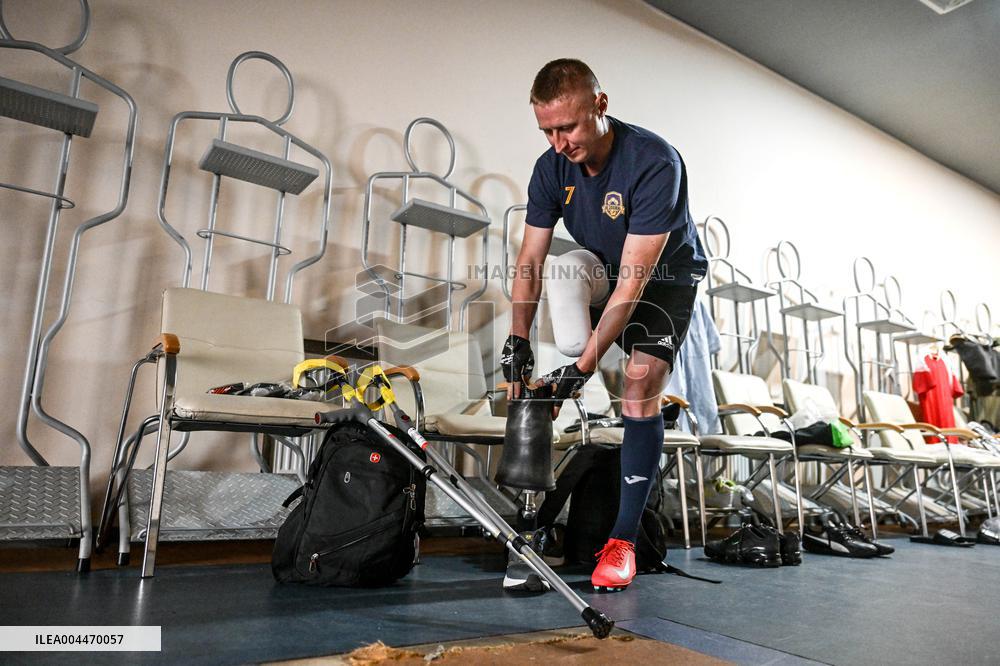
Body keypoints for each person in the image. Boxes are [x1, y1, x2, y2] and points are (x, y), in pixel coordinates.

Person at [501, 58, 707, 592]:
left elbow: (633, 287)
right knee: (565, 266)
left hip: (663, 279)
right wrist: (516, 341)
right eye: (546, 130)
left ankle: (622, 542)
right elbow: (529, 260)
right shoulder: (551, 168)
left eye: (567, 127)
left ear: (600, 105)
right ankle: (576, 359)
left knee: (640, 386)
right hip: (603, 265)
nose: (558, 142)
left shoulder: (654, 162)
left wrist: (581, 371)